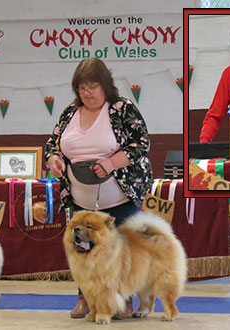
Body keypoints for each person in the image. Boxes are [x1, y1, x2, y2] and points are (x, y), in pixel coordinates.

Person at [43, 58, 153, 319]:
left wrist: (112, 162)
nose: (87, 93)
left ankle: (123, 299)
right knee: (82, 250)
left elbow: (141, 143)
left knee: (124, 252)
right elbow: (52, 143)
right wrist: (53, 158)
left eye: (92, 86)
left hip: (121, 197)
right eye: (81, 87)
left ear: (105, 86)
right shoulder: (70, 111)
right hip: (80, 201)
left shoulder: (122, 108)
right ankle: (86, 298)